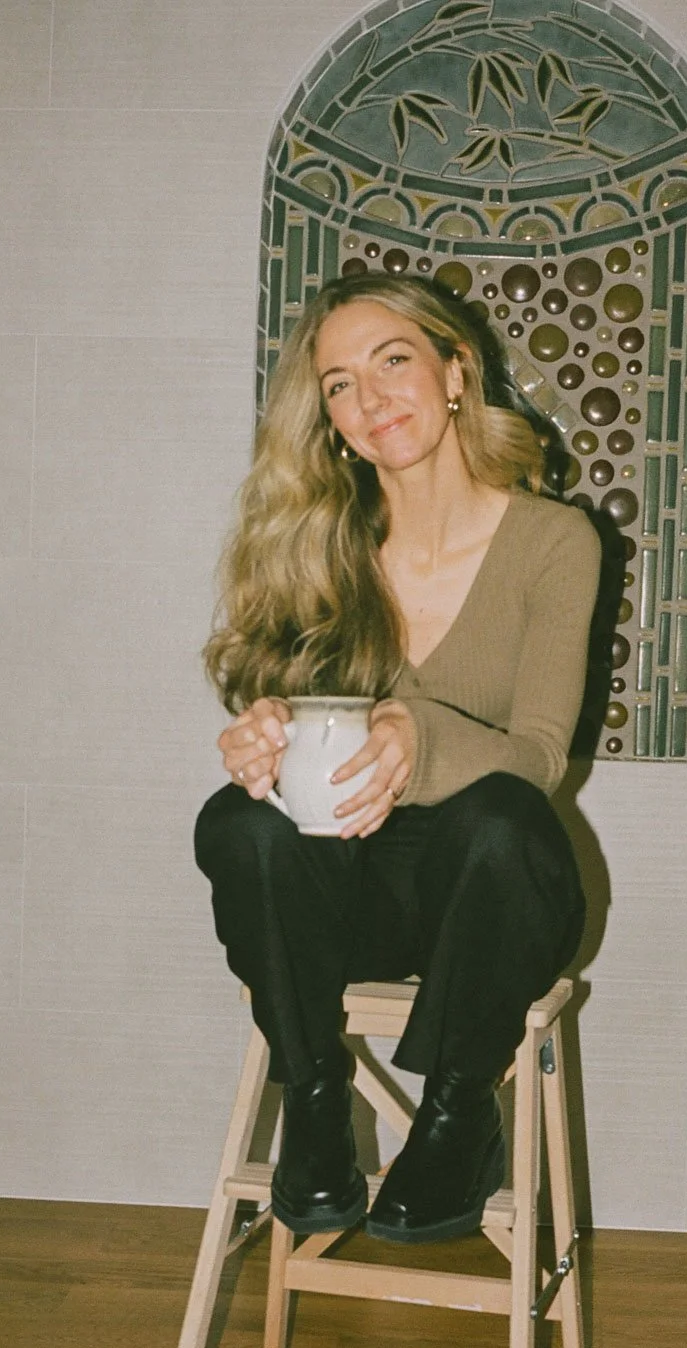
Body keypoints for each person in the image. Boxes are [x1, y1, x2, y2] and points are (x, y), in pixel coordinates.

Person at [194, 272, 600, 1244]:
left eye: (391, 361)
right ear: (328, 418)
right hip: (350, 901)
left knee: (502, 817)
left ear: (455, 372)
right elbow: (286, 723)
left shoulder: (553, 541)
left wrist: (418, 736)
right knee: (236, 821)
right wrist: (264, 733)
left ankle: (458, 1116)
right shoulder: (317, 544)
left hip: (493, 904)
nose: (369, 398)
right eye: (339, 384)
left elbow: (540, 756)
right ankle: (314, 1100)